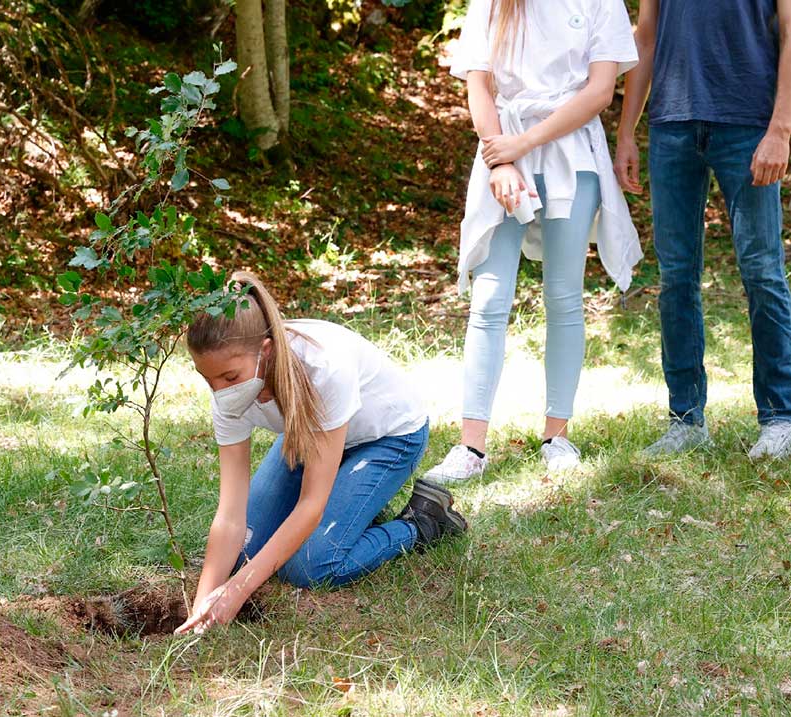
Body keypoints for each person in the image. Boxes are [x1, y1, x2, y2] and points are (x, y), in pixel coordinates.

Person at [174, 272, 466, 634]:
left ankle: (422, 523)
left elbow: (311, 505)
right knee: (245, 552)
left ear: (266, 351)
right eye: (208, 379)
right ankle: (355, 510)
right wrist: (205, 601)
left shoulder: (324, 367)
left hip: (388, 438)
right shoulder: (229, 393)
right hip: (311, 438)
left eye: (230, 378)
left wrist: (238, 591)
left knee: (309, 565)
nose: (219, 390)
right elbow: (230, 513)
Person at [424, 0, 641, 483]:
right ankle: (470, 448)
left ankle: (556, 435)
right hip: (502, 148)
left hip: (571, 153)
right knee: (489, 297)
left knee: (564, 295)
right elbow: (478, 83)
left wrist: (524, 145)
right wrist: (502, 161)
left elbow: (601, 91)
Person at [615, 0, 791, 459]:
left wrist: (781, 130)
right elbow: (647, 34)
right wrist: (627, 131)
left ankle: (780, 418)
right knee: (675, 278)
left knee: (762, 273)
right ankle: (686, 420)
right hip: (672, 125)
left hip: (748, 124)